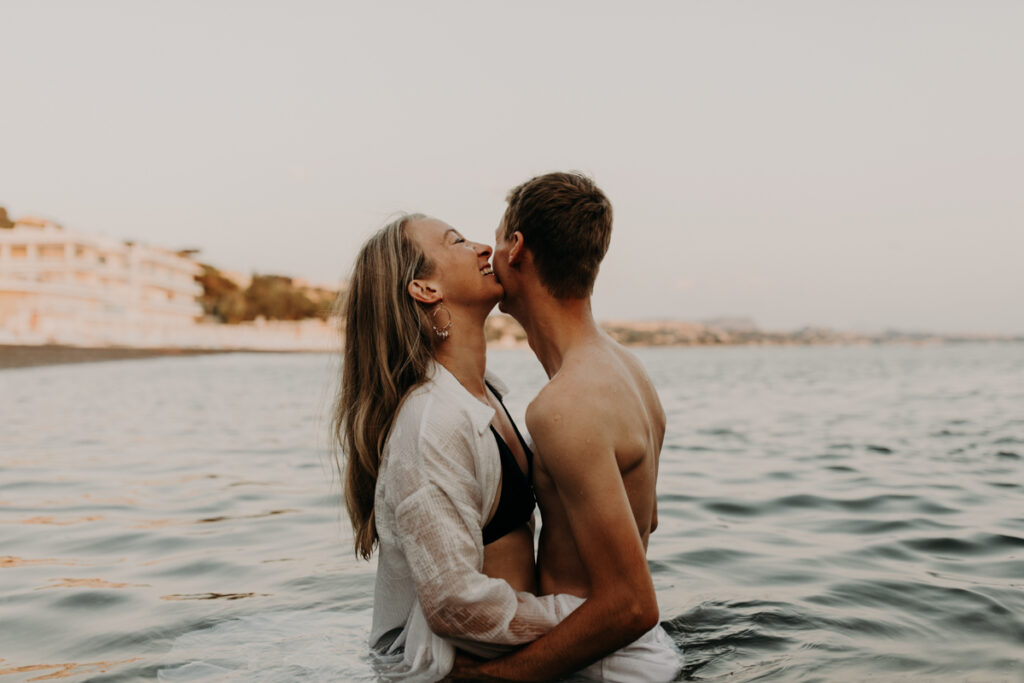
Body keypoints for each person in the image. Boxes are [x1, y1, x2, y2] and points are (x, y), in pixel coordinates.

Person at [451, 172, 682, 681]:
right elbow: (647, 521)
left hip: (602, 664)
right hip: (634, 655)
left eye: (497, 237)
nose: (489, 252)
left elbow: (631, 606)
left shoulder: (564, 406)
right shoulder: (629, 370)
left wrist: (490, 679)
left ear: (517, 248)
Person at [331, 213, 580, 681]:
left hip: (512, 659)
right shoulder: (433, 423)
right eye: (457, 241)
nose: (483, 248)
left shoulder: (486, 395)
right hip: (449, 670)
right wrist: (584, 615)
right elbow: (455, 603)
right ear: (425, 289)